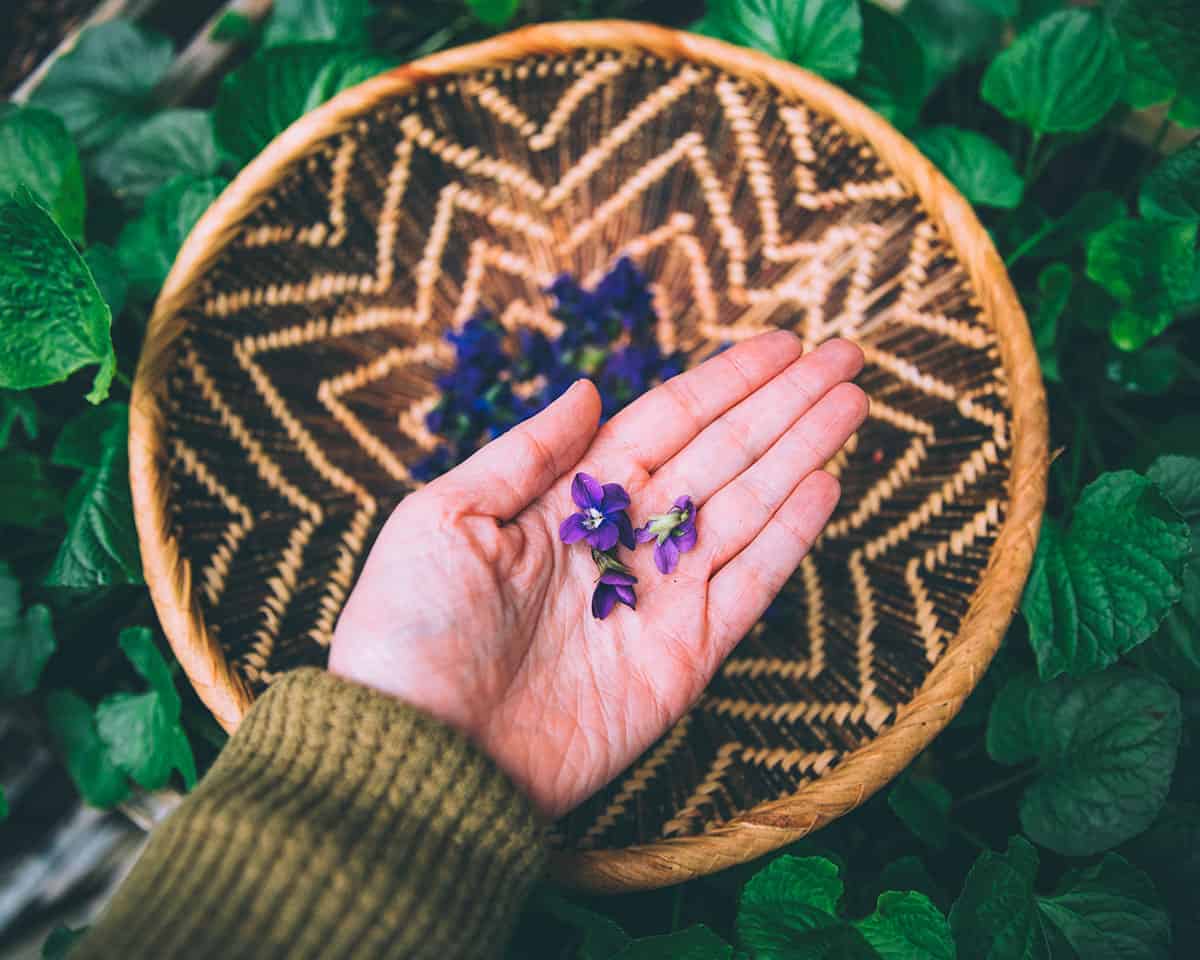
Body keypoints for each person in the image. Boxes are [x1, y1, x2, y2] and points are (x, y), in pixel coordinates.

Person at [74, 331, 867, 959]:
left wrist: (395, 756)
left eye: (601, 531)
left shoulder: (610, 537)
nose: (594, 531)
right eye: (596, 530)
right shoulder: (596, 540)